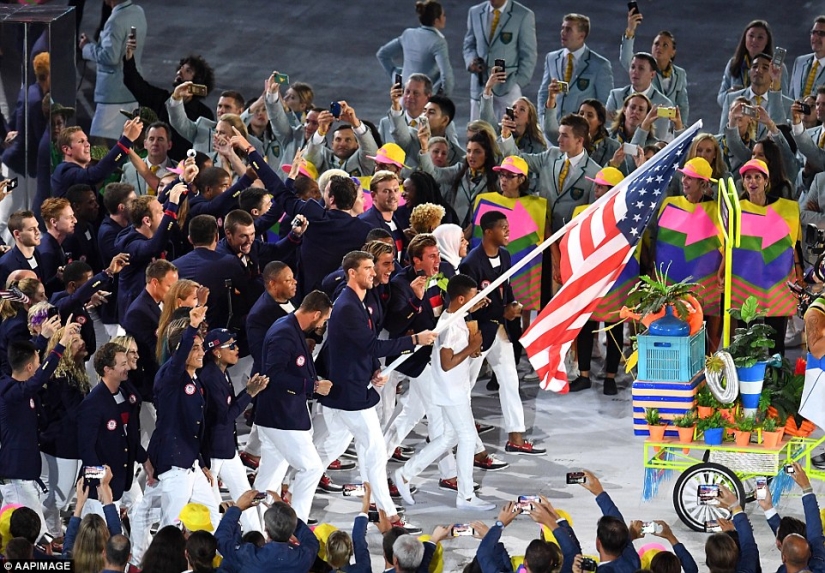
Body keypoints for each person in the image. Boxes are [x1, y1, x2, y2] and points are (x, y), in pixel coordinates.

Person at [314, 250, 437, 533]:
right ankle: (389, 516)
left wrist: (373, 368)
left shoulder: (359, 301)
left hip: (350, 387)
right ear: (352, 273)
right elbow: (371, 345)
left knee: (332, 447)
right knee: (376, 451)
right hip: (349, 393)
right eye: (368, 268)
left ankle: (291, 489)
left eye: (373, 267)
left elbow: (357, 348)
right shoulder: (347, 305)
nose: (373, 272)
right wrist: (415, 340)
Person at [395, 274, 499, 510]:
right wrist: (472, 347)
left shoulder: (455, 316)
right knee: (467, 437)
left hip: (452, 389)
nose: (478, 300)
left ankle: (405, 473)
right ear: (461, 299)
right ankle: (466, 496)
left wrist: (473, 310)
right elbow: (446, 362)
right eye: (474, 297)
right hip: (452, 391)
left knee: (449, 437)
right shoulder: (450, 325)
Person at [460, 211, 544, 455]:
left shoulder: (505, 255)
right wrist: (500, 312)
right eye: (503, 227)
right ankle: (458, 436)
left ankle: (516, 437)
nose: (508, 231)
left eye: (508, 227)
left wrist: (513, 305)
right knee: (464, 387)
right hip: (478, 333)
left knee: (510, 380)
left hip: (499, 330)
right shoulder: (470, 263)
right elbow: (469, 305)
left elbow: (505, 289)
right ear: (488, 232)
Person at [255, 291, 332, 523]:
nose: (323, 325)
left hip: (278, 415)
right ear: (316, 314)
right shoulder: (284, 333)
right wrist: (314, 386)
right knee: (311, 468)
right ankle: (297, 525)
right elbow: (274, 375)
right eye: (324, 320)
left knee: (268, 481)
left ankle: (254, 526)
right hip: (281, 416)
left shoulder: (290, 328)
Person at [0, 320, 78, 541]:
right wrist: (60, 345)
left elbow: (22, 358)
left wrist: (42, 338)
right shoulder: (12, 394)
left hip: (22, 477)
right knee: (37, 537)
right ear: (30, 368)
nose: (40, 364)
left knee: (19, 537)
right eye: (38, 361)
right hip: (18, 479)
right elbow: (37, 379)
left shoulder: (13, 384)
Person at [147, 306, 220, 530]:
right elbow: (178, 360)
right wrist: (193, 326)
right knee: (170, 526)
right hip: (174, 464)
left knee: (212, 517)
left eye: (201, 347)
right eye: (195, 348)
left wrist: (202, 463)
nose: (202, 352)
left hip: (191, 462)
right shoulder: (169, 377)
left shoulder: (193, 379)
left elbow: (193, 428)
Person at [725, 158, 801, 355]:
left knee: (776, 342)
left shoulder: (786, 210)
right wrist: (721, 271)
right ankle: (748, 374)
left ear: (766, 181)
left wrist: (799, 274)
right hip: (744, 283)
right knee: (746, 340)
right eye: (748, 177)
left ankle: (778, 374)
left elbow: (795, 245)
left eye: (757, 177)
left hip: (776, 284)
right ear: (743, 182)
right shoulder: (735, 209)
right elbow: (727, 245)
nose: (753, 181)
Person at [565, 166, 628, 394]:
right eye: (597, 186)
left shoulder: (628, 215)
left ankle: (610, 377)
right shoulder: (582, 211)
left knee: (614, 327)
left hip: (616, 278)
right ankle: (584, 375)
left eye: (601, 187)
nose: (596, 190)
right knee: (585, 325)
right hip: (588, 276)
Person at [651, 157, 723, 353]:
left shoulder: (716, 210)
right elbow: (658, 242)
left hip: (705, 284)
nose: (684, 181)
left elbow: (725, 248)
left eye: (690, 178)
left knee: (705, 329)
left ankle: (707, 365)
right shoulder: (669, 203)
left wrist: (721, 274)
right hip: (671, 282)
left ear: (703, 184)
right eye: (684, 176)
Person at [200, 328, 268, 533]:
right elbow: (225, 417)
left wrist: (248, 392)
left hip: (226, 448)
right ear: (216, 352)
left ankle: (256, 537)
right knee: (212, 507)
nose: (237, 349)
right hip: (212, 452)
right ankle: (215, 545)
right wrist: (249, 394)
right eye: (231, 346)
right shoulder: (209, 377)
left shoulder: (221, 371)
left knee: (246, 495)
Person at [77, 341, 148, 512]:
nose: (127, 367)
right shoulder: (92, 404)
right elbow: (86, 451)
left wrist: (144, 459)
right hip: (99, 491)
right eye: (122, 364)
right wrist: (100, 480)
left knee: (139, 509)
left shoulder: (124, 394)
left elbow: (129, 435)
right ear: (108, 370)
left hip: (123, 478)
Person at [123, 41, 215, 161]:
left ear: (198, 81)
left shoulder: (203, 114)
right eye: (180, 68)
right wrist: (129, 57)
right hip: (152, 163)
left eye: (188, 71)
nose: (179, 72)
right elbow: (134, 83)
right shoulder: (159, 99)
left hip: (182, 167)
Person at [115, 184, 185, 322]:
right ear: (147, 221)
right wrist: (172, 206)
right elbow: (154, 247)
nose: (164, 215)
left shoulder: (148, 229)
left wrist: (183, 181)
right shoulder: (131, 245)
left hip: (157, 306)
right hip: (136, 316)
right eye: (161, 213)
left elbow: (160, 205)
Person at [79, 0, 146, 141]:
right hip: (132, 89)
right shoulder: (138, 12)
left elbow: (110, 57)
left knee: (98, 141)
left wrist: (86, 47)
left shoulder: (115, 21)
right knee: (128, 140)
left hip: (113, 94)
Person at [462, 0, 537, 122]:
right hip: (480, 85)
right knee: (478, 130)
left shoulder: (523, 15)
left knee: (508, 130)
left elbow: (529, 53)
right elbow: (469, 44)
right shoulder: (475, 12)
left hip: (508, 86)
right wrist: (471, 62)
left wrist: (518, 82)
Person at [537, 13, 613, 122]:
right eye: (562, 28)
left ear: (581, 36)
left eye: (568, 29)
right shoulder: (551, 58)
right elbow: (544, 92)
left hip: (581, 129)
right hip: (553, 127)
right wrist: (543, 119)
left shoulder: (600, 65)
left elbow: (605, 104)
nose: (563, 32)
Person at [418, 129, 499, 227]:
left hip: (481, 231)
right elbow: (433, 174)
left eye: (477, 152)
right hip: (456, 229)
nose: (471, 156)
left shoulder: (496, 177)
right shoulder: (459, 170)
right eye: (468, 151)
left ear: (486, 155)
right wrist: (424, 148)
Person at [376, 1, 454, 97]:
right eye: (443, 15)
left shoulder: (408, 34)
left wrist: (395, 76)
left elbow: (382, 54)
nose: (445, 18)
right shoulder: (438, 42)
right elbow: (446, 76)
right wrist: (442, 100)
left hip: (405, 94)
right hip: (423, 98)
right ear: (436, 20)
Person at [621, 13, 689, 122]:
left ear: (673, 52)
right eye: (656, 44)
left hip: (669, 126)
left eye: (665, 45)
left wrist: (681, 127)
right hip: (647, 124)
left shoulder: (679, 74)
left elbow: (683, 105)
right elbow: (626, 58)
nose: (659, 47)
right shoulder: (644, 69)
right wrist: (630, 31)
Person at [717, 20, 789, 107]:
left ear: (767, 41)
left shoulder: (777, 68)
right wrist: (731, 93)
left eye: (760, 37)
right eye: (751, 36)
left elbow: (785, 102)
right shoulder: (734, 63)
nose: (754, 40)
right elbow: (720, 99)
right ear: (745, 38)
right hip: (738, 113)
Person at [719, 52, 793, 135]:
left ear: (773, 73)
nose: (758, 70)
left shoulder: (788, 104)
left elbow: (786, 137)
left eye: (765, 68)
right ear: (749, 72)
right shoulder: (731, 98)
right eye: (754, 66)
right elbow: (722, 134)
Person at [606, 52, 674, 138]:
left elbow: (658, 138)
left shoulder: (664, 104)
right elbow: (608, 131)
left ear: (652, 74)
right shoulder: (616, 96)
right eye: (633, 67)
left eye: (641, 68)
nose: (635, 71)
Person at [305, 101, 378, 176]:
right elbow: (310, 158)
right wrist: (321, 132)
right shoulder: (323, 157)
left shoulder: (362, 162)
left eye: (348, 140)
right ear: (332, 143)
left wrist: (355, 123)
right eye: (338, 139)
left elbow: (370, 151)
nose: (342, 144)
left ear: (357, 144)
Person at [120, 122, 175, 195]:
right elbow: (121, 198)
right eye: (151, 139)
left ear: (169, 145)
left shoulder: (178, 170)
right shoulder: (129, 169)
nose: (155, 143)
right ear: (145, 144)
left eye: (160, 139)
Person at [38, 197, 76, 296]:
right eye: (69, 218)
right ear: (54, 222)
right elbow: (47, 289)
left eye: (73, 216)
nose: (75, 221)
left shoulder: (59, 243)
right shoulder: (47, 252)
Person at [789, 16, 825, 100]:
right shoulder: (799, 62)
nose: (815, 37)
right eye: (813, 32)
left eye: (821, 33)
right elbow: (791, 98)